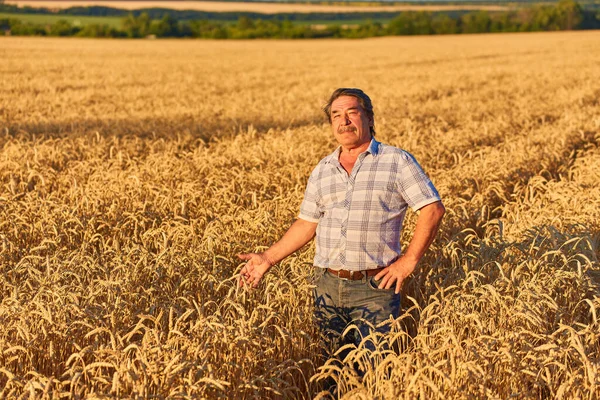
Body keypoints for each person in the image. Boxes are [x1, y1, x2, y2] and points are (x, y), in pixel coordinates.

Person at [238, 88, 445, 353]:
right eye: (336, 115)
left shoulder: (396, 161)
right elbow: (306, 224)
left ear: (369, 119)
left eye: (352, 113)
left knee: (377, 372)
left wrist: (408, 262)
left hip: (375, 288)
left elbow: (432, 209)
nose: (344, 121)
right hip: (326, 286)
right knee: (331, 370)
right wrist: (268, 258)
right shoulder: (323, 168)